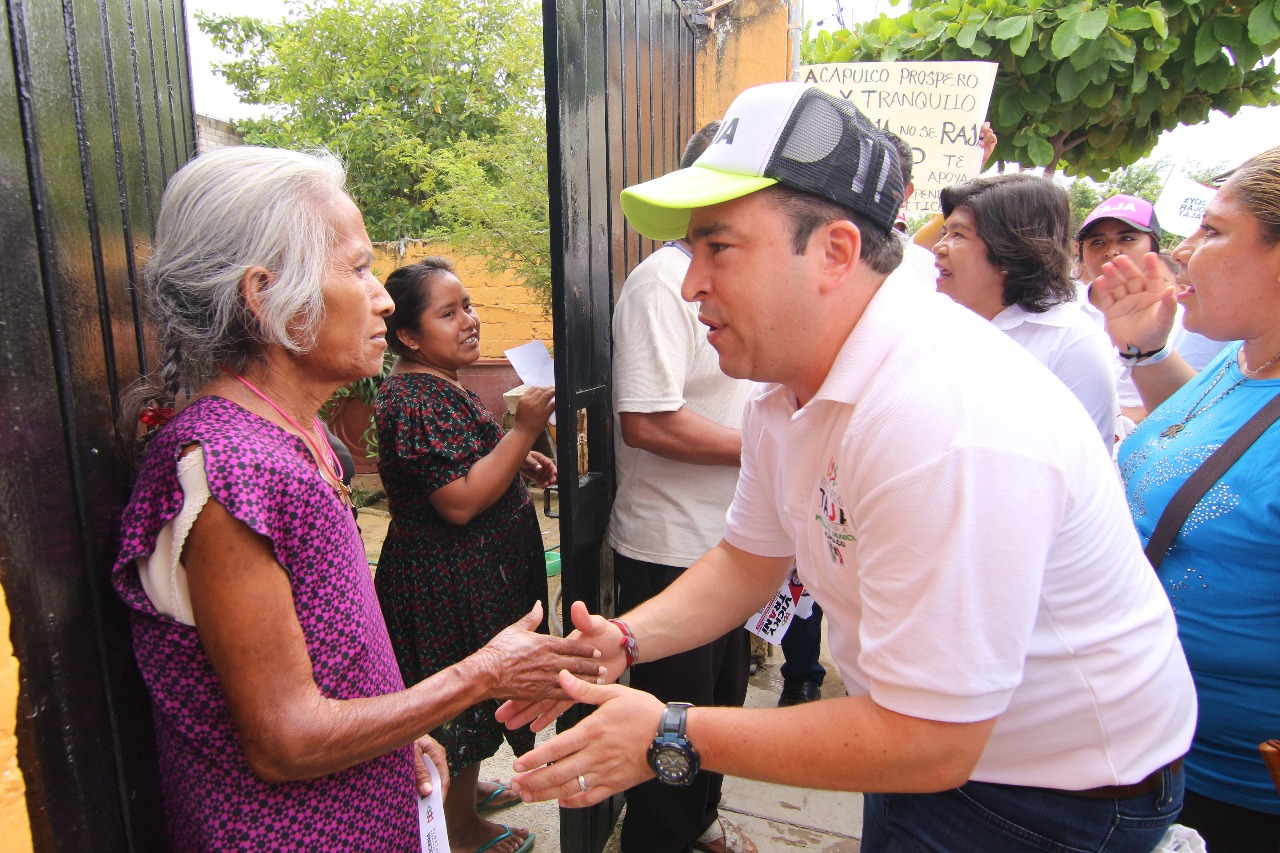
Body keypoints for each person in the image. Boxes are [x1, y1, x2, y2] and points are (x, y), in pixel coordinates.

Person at [499, 82, 1196, 853]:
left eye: (718, 247)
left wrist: (671, 730)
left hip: (1049, 798)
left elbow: (933, 738)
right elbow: (747, 559)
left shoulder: (944, 416)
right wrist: (625, 639)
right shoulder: (784, 385)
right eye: (690, 249)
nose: (692, 282)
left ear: (834, 251)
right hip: (918, 749)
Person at [112, 146, 602, 852]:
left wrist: (397, 732)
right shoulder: (227, 472)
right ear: (265, 294)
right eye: (358, 268)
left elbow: (328, 661)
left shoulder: (293, 434)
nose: (380, 296)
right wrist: (480, 673)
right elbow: (285, 739)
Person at [1093, 146, 1280, 852]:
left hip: (1241, 795)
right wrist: (1144, 348)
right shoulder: (1243, 359)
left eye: (1214, 230)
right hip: (1154, 752)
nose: (1182, 250)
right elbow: (1206, 450)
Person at [606, 120, 756, 853]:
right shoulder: (662, 282)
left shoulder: (735, 277)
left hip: (728, 546)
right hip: (669, 548)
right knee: (667, 739)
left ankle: (698, 827)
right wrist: (766, 448)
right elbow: (649, 421)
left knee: (719, 714)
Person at [375, 256, 558, 853]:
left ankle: (469, 790)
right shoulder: (416, 397)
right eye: (448, 313)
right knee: (460, 706)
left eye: (469, 305)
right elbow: (457, 500)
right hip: (445, 585)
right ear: (408, 335)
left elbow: (468, 461)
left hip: (470, 577)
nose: (469, 321)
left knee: (479, 698)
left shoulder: (437, 383)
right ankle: (457, 827)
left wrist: (515, 457)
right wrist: (524, 432)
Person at [936, 174, 1119, 446]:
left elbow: (1084, 465)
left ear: (1011, 250)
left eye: (959, 235)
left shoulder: (1071, 342)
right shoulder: (944, 320)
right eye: (944, 233)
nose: (939, 247)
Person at [1074, 193, 1228, 423]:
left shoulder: (1188, 318)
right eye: (1097, 242)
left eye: (1127, 238)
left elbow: (1198, 407)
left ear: (1153, 245)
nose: (1111, 251)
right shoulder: (1057, 308)